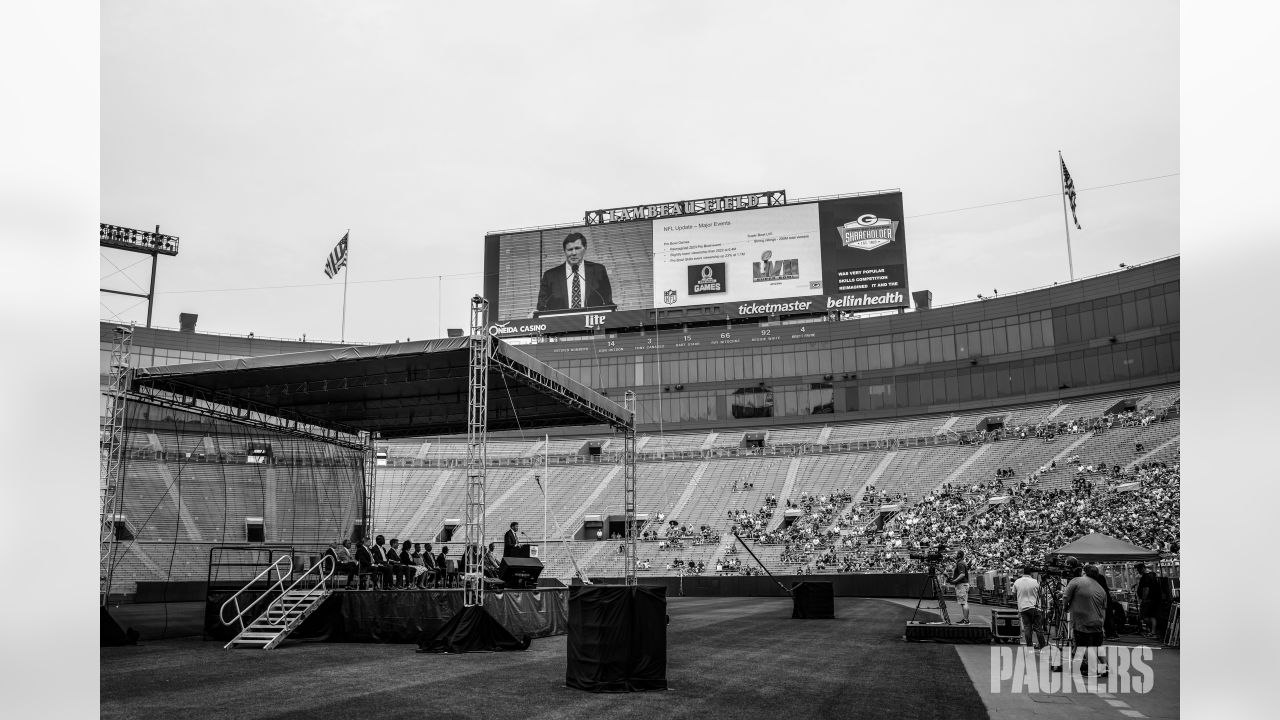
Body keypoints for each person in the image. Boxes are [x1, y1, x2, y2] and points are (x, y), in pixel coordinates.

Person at [536, 231, 613, 312]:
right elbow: (541, 307)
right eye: (570, 249)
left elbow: (608, 302)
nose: (573, 253)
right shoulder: (550, 276)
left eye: (577, 248)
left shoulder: (598, 271)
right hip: (561, 323)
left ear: (585, 248)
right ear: (564, 251)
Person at [1063, 561, 1109, 677]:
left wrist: (1065, 607)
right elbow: (1104, 609)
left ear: (1084, 572)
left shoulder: (1076, 581)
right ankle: (1105, 667)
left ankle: (1092, 669)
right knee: (1097, 646)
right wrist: (1102, 625)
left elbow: (1065, 597)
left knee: (1084, 646)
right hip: (1098, 622)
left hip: (1083, 621)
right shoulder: (1101, 589)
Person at [1012, 566, 1047, 650]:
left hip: (1023, 608)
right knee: (1038, 628)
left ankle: (1029, 647)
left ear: (1023, 572)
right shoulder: (1035, 582)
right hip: (1035, 607)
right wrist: (1043, 606)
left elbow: (1013, 594)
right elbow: (1042, 594)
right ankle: (1042, 646)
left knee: (1027, 628)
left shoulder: (1017, 582)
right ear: (1031, 573)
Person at [1135, 562, 1162, 638]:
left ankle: (1153, 632)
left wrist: (1143, 599)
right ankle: (1153, 632)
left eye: (1138, 569)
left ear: (1142, 568)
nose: (1138, 571)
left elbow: (1146, 589)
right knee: (1151, 615)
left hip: (1148, 600)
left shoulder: (1146, 577)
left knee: (1144, 616)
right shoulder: (1152, 575)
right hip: (1153, 599)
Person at [948, 549, 971, 624]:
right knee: (963, 602)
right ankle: (965, 619)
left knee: (964, 602)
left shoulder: (960, 563)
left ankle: (966, 620)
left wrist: (954, 581)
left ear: (959, 555)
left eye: (955, 553)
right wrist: (952, 560)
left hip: (961, 584)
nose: (954, 555)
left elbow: (962, 574)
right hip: (963, 584)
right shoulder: (960, 562)